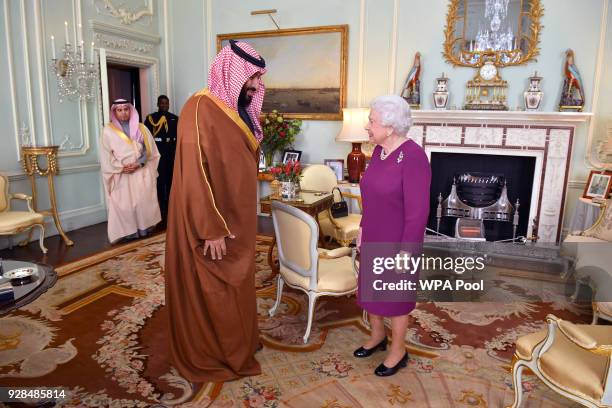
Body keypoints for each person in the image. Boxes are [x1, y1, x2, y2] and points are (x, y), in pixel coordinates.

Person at [165, 40, 266, 383]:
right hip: (214, 220)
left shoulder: (237, 110)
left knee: (240, 282)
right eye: (250, 78)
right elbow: (194, 170)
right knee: (217, 287)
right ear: (230, 72)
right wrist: (211, 227)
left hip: (239, 216)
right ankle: (217, 351)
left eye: (257, 79)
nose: (254, 85)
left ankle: (242, 342)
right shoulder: (198, 107)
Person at [354, 95, 431, 376]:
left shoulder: (413, 157)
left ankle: (398, 351)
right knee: (371, 291)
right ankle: (377, 336)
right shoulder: (379, 152)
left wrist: (406, 251)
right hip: (374, 233)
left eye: (372, 121)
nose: (367, 127)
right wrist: (363, 230)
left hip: (399, 241)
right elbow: (371, 197)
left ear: (389, 126)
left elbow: (418, 211)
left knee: (396, 297)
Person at [99, 99, 161, 244]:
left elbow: (149, 149)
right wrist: (121, 168)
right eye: (119, 110)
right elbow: (106, 155)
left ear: (131, 110)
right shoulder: (108, 131)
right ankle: (128, 232)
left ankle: (143, 229)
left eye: (126, 109)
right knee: (125, 204)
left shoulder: (141, 128)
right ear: (114, 112)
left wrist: (139, 163)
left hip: (140, 171)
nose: (123, 113)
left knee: (141, 202)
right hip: (122, 174)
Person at [144, 95, 179, 224]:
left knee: (170, 180)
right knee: (158, 181)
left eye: (166, 103)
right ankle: (159, 206)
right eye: (162, 103)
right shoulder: (151, 118)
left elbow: (178, 137)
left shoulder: (174, 118)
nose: (164, 105)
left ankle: (170, 206)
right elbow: (146, 137)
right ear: (158, 104)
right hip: (157, 154)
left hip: (170, 154)